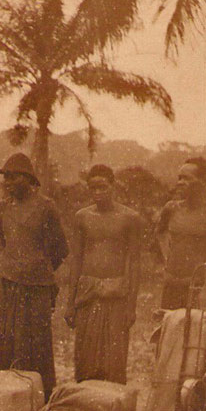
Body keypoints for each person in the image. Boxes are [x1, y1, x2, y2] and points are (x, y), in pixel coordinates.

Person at [0, 153, 68, 401]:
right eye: (6, 179)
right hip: (9, 283)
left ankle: (39, 399)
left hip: (37, 286)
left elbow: (60, 249)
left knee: (36, 342)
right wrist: (14, 264)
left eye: (12, 177)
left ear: (27, 178)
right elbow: (5, 241)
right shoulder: (4, 208)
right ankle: (8, 399)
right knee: (6, 337)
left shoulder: (46, 207)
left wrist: (37, 267)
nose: (8, 183)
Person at [63, 164, 143, 384]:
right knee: (86, 352)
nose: (98, 193)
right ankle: (87, 402)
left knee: (115, 355)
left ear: (113, 185)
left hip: (116, 293)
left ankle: (112, 405)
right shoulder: (82, 217)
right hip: (88, 292)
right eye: (93, 188)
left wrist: (131, 306)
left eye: (102, 187)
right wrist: (71, 303)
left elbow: (134, 262)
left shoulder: (130, 218)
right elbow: (76, 260)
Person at [156, 157, 206, 309]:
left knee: (196, 330)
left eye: (187, 179)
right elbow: (160, 232)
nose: (180, 182)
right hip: (172, 284)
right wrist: (167, 257)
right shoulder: (171, 208)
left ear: (203, 182)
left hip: (198, 286)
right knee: (169, 328)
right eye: (179, 178)